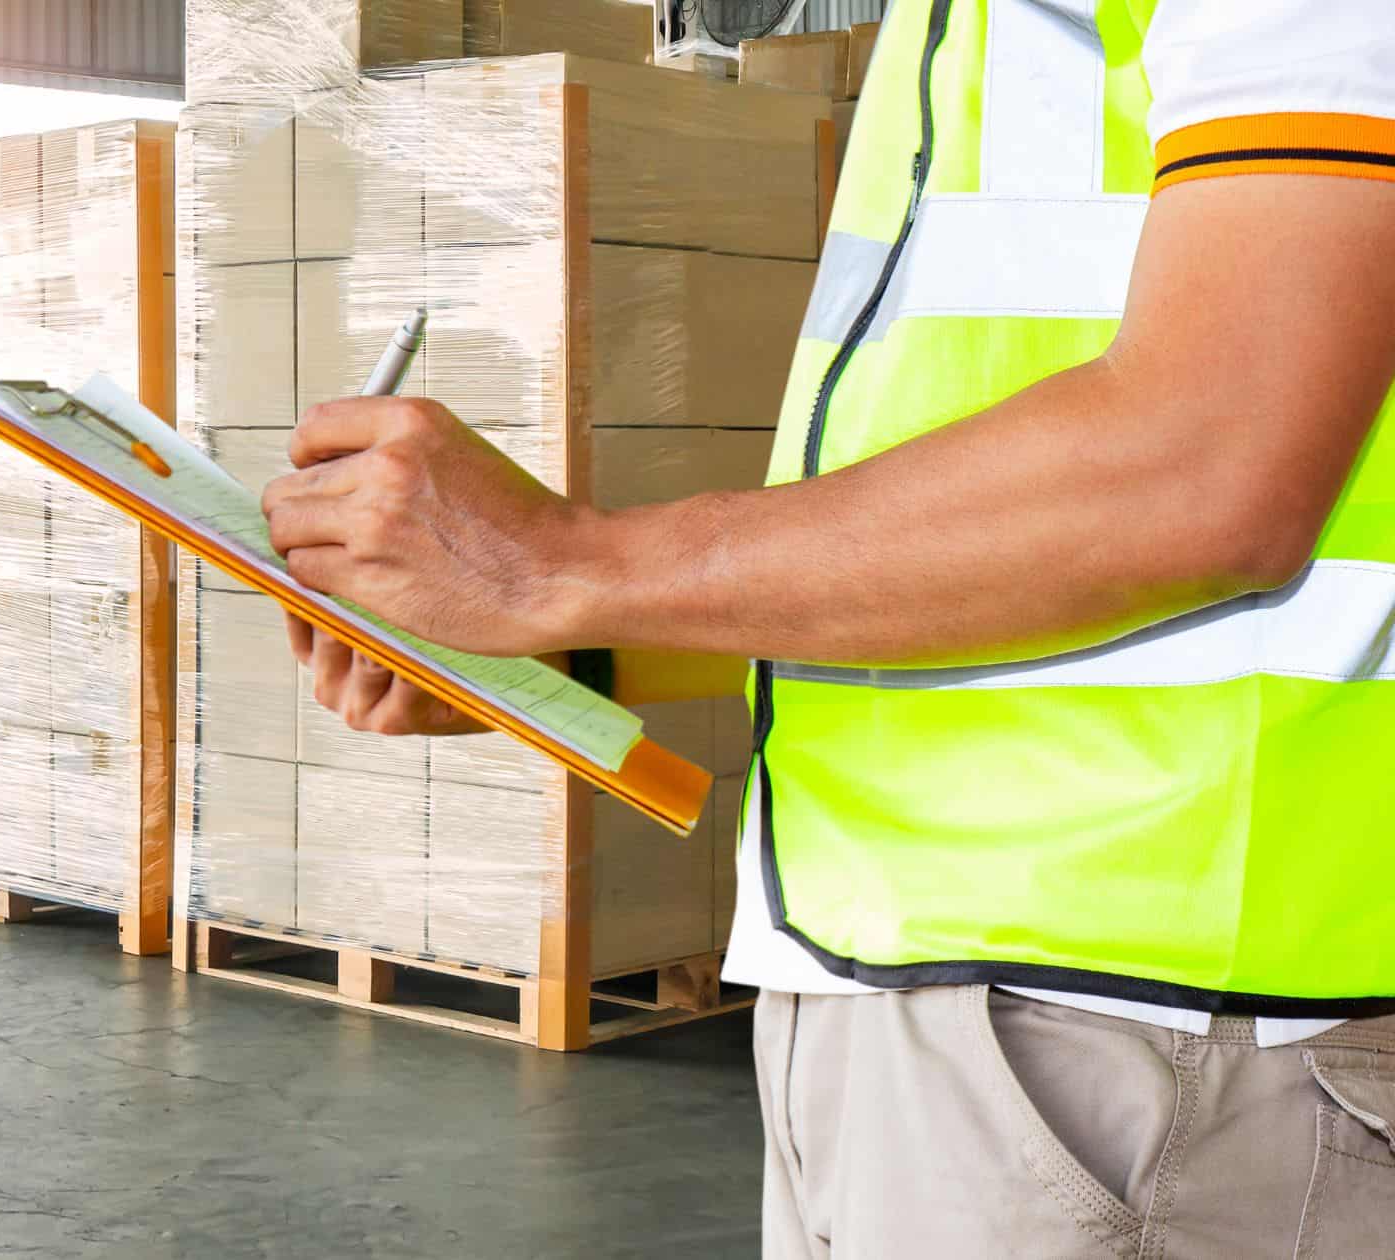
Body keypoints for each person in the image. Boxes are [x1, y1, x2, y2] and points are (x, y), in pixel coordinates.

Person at [258, 1, 1395, 1254]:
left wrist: (567, 566)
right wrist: (568, 647)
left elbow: (1208, 463)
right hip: (903, 981)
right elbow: (957, 547)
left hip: (1152, 1020)